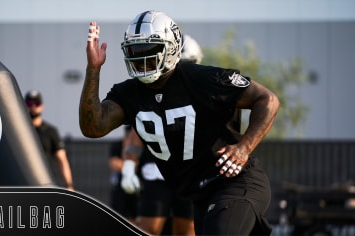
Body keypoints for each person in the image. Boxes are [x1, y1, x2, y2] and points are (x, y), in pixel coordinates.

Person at [79, 10, 280, 235]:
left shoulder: (200, 79)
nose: (141, 59)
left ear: (171, 48)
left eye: (150, 51)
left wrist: (244, 147)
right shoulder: (129, 93)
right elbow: (93, 127)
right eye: (135, 51)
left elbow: (267, 99)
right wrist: (93, 70)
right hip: (200, 194)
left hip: (235, 182)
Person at [119, 34, 204, 236]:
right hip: (158, 172)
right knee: (148, 230)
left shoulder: (201, 89)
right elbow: (139, 129)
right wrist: (129, 165)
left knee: (187, 231)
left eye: (186, 63)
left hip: (191, 174)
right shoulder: (151, 90)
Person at [25, 90, 75, 191]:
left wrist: (69, 185)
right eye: (30, 103)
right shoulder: (20, 129)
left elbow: (62, 159)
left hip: (46, 182)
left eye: (37, 103)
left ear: (42, 106)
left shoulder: (50, 131)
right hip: (24, 182)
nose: (33, 107)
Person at [108, 125, 138, 224]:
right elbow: (113, 163)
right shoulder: (117, 145)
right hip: (119, 188)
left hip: (137, 187)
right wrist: (130, 166)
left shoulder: (140, 148)